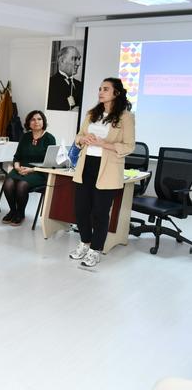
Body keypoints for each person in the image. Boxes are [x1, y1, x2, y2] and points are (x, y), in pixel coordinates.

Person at [68, 77, 135, 267]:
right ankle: (84, 243)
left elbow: (129, 146)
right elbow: (78, 137)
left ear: (116, 93)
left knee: (100, 212)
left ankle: (95, 249)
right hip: (86, 165)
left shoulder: (126, 117)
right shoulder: (92, 113)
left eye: (106, 89)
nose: (101, 92)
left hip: (108, 169)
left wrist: (103, 144)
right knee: (81, 210)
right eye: (100, 88)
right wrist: (83, 139)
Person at [1, 110, 56, 226]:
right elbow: (17, 156)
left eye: (39, 119)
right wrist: (17, 167)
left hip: (39, 172)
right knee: (8, 183)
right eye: (33, 119)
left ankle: (20, 214)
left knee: (22, 185)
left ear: (43, 121)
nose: (36, 122)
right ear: (29, 123)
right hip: (20, 169)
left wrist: (32, 169)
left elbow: (49, 163)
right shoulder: (25, 137)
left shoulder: (49, 138)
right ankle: (13, 211)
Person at [47, 45, 83, 111]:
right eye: (74, 59)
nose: (79, 63)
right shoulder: (49, 84)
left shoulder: (80, 85)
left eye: (79, 59)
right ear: (62, 61)